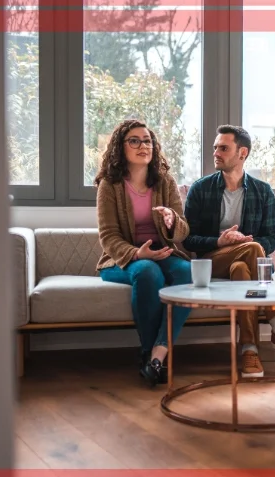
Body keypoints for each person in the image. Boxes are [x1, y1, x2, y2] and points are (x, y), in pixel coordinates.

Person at [182, 124, 275, 378]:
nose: (216, 153)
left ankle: (250, 350)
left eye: (223, 148)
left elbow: (271, 236)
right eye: (215, 147)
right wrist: (221, 242)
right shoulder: (201, 189)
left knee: (242, 268)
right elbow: (188, 240)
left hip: (242, 265)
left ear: (242, 153)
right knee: (252, 248)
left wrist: (245, 245)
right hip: (213, 260)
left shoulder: (262, 190)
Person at [95, 119, 192, 387]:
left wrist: (173, 221)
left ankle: (158, 353)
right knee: (148, 273)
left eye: (147, 140)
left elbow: (183, 231)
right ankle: (150, 355)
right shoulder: (110, 185)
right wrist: (138, 254)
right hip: (123, 259)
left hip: (162, 252)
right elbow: (109, 237)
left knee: (187, 272)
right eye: (134, 141)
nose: (142, 146)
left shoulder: (165, 182)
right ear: (120, 147)